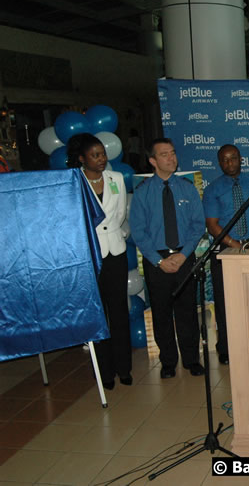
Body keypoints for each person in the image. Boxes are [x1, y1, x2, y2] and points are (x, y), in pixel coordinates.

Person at [130, 138, 206, 379]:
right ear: (153, 161)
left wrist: (184, 256)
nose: (171, 158)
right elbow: (139, 232)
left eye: (173, 153)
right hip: (157, 261)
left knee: (187, 312)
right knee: (161, 313)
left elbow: (198, 226)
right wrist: (160, 261)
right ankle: (168, 362)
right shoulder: (143, 192)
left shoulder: (187, 188)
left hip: (185, 256)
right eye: (164, 155)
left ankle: (192, 359)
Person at [67, 133, 131, 390]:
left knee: (118, 311)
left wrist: (117, 234)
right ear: (82, 159)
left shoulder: (116, 179)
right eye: (95, 155)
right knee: (98, 314)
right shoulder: (74, 182)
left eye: (103, 154)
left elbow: (120, 213)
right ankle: (104, 371)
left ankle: (123, 367)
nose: (101, 159)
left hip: (116, 251)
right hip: (90, 254)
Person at [202, 144, 249, 365]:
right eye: (225, 160)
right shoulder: (213, 189)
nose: (230, 163)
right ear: (219, 163)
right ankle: (225, 347)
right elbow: (212, 225)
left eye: (233, 158)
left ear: (241, 159)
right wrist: (233, 244)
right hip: (225, 249)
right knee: (225, 301)